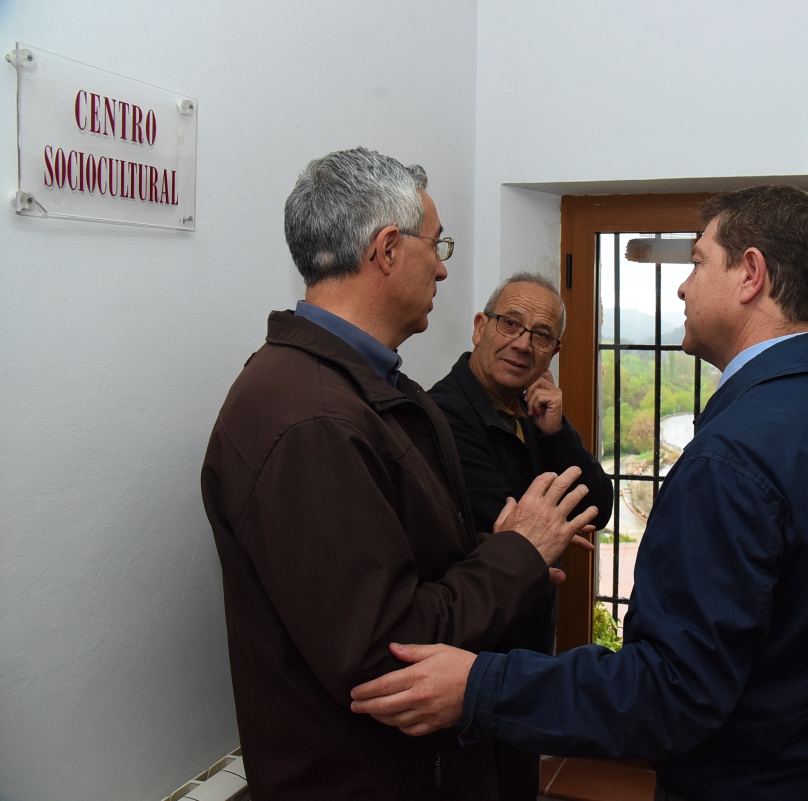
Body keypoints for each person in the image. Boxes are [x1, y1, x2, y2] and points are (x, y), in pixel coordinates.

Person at [349, 185, 808, 801]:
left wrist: (480, 686)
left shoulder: (734, 457)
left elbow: (672, 692)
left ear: (750, 275)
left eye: (697, 262)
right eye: (510, 325)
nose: (683, 288)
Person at [200, 147, 596, 801]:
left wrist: (500, 550)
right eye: (436, 245)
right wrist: (515, 554)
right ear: (387, 250)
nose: (443, 267)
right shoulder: (313, 420)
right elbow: (388, 655)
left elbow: (398, 567)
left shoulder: (366, 388)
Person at [427, 273, 614, 800]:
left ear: (553, 352)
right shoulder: (442, 415)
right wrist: (548, 530)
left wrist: (557, 433)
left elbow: (597, 507)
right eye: (511, 323)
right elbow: (517, 528)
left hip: (524, 645)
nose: (523, 343)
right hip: (471, 648)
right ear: (480, 328)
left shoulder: (531, 414)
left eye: (541, 334)